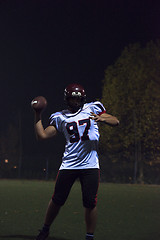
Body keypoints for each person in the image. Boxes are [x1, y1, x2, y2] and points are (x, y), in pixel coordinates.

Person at [33, 83, 119, 240]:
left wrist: (102, 118)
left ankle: (89, 236)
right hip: (69, 165)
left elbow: (115, 121)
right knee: (57, 200)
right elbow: (43, 136)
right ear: (67, 99)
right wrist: (38, 115)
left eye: (78, 99)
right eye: (72, 99)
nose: (75, 102)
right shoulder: (60, 116)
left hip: (90, 165)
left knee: (90, 203)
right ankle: (45, 230)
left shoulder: (93, 108)